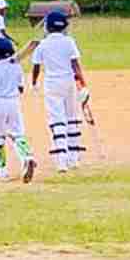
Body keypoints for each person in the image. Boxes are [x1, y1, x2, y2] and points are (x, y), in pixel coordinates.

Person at [28, 10, 87, 172]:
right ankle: (74, 158)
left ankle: (62, 159)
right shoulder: (69, 42)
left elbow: (36, 67)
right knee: (72, 118)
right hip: (68, 82)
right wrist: (83, 84)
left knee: (57, 119)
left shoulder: (43, 44)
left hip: (52, 84)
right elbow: (76, 65)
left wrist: (33, 83)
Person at [0, 36, 36, 183]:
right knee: (18, 134)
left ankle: (1, 172)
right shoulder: (16, 67)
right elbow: (21, 88)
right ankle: (27, 157)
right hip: (13, 103)